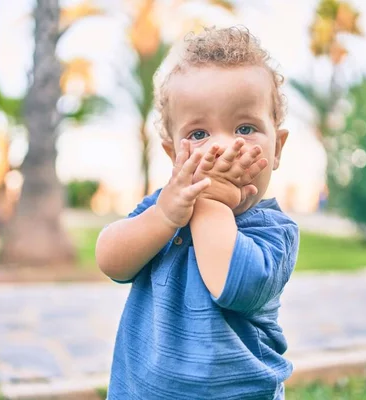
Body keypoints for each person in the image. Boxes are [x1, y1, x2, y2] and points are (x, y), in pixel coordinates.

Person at [96, 26, 300, 400]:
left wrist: (212, 201)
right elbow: (110, 260)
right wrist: (162, 217)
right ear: (173, 154)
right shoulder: (164, 208)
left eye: (245, 128)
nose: (222, 147)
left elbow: (233, 284)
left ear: (277, 148)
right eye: (200, 134)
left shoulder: (274, 231)